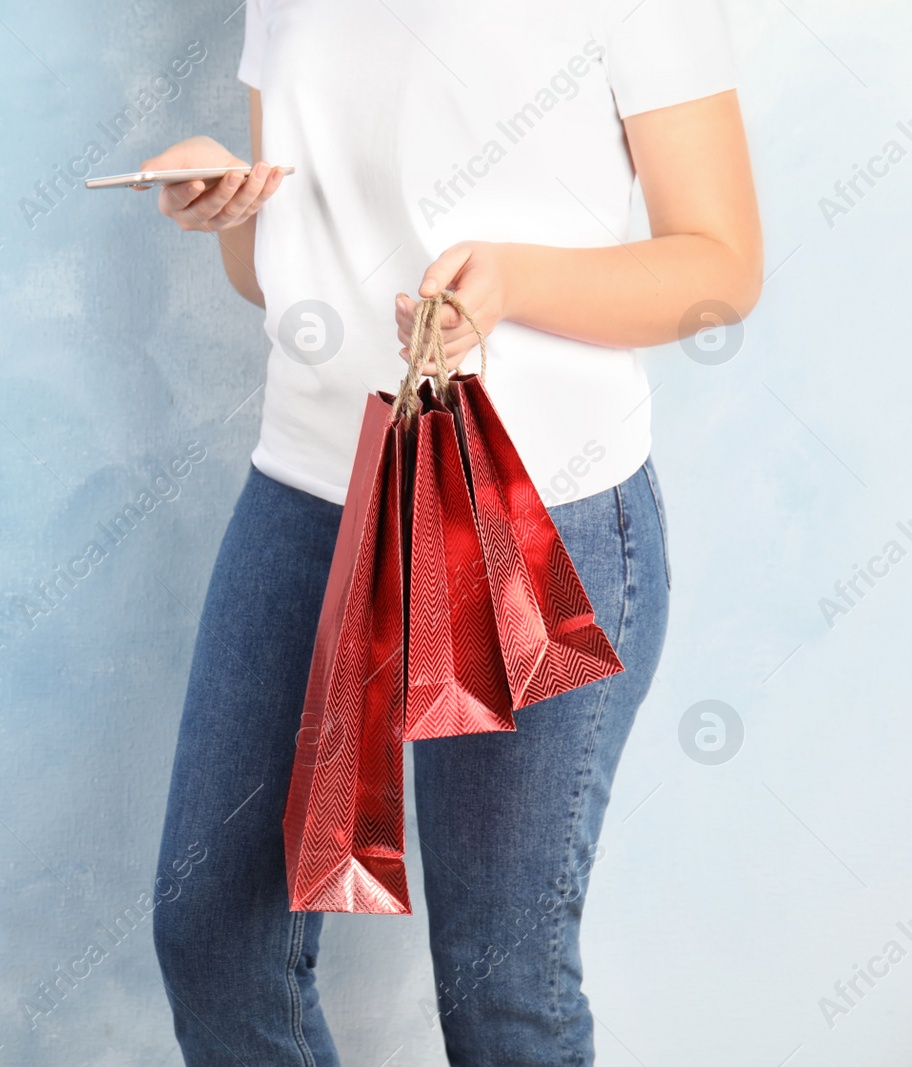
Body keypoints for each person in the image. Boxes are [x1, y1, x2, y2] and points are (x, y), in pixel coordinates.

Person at [144, 1, 761, 1064]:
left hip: (535, 515)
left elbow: (719, 267)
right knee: (213, 933)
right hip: (309, 493)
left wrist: (514, 279)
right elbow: (272, 272)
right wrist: (230, 209)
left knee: (499, 991)